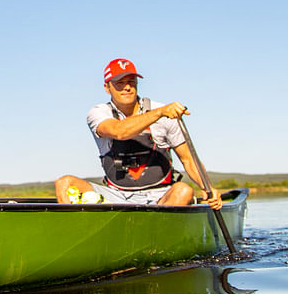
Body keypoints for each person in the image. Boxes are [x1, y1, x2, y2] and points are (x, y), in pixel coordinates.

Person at [54, 58, 222, 209]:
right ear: (107, 87)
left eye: (131, 82)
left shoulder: (165, 114)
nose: (127, 87)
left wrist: (208, 188)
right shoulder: (99, 113)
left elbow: (188, 159)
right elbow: (119, 132)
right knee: (65, 183)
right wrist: (159, 113)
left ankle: (159, 234)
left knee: (184, 190)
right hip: (116, 195)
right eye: (119, 83)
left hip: (161, 196)